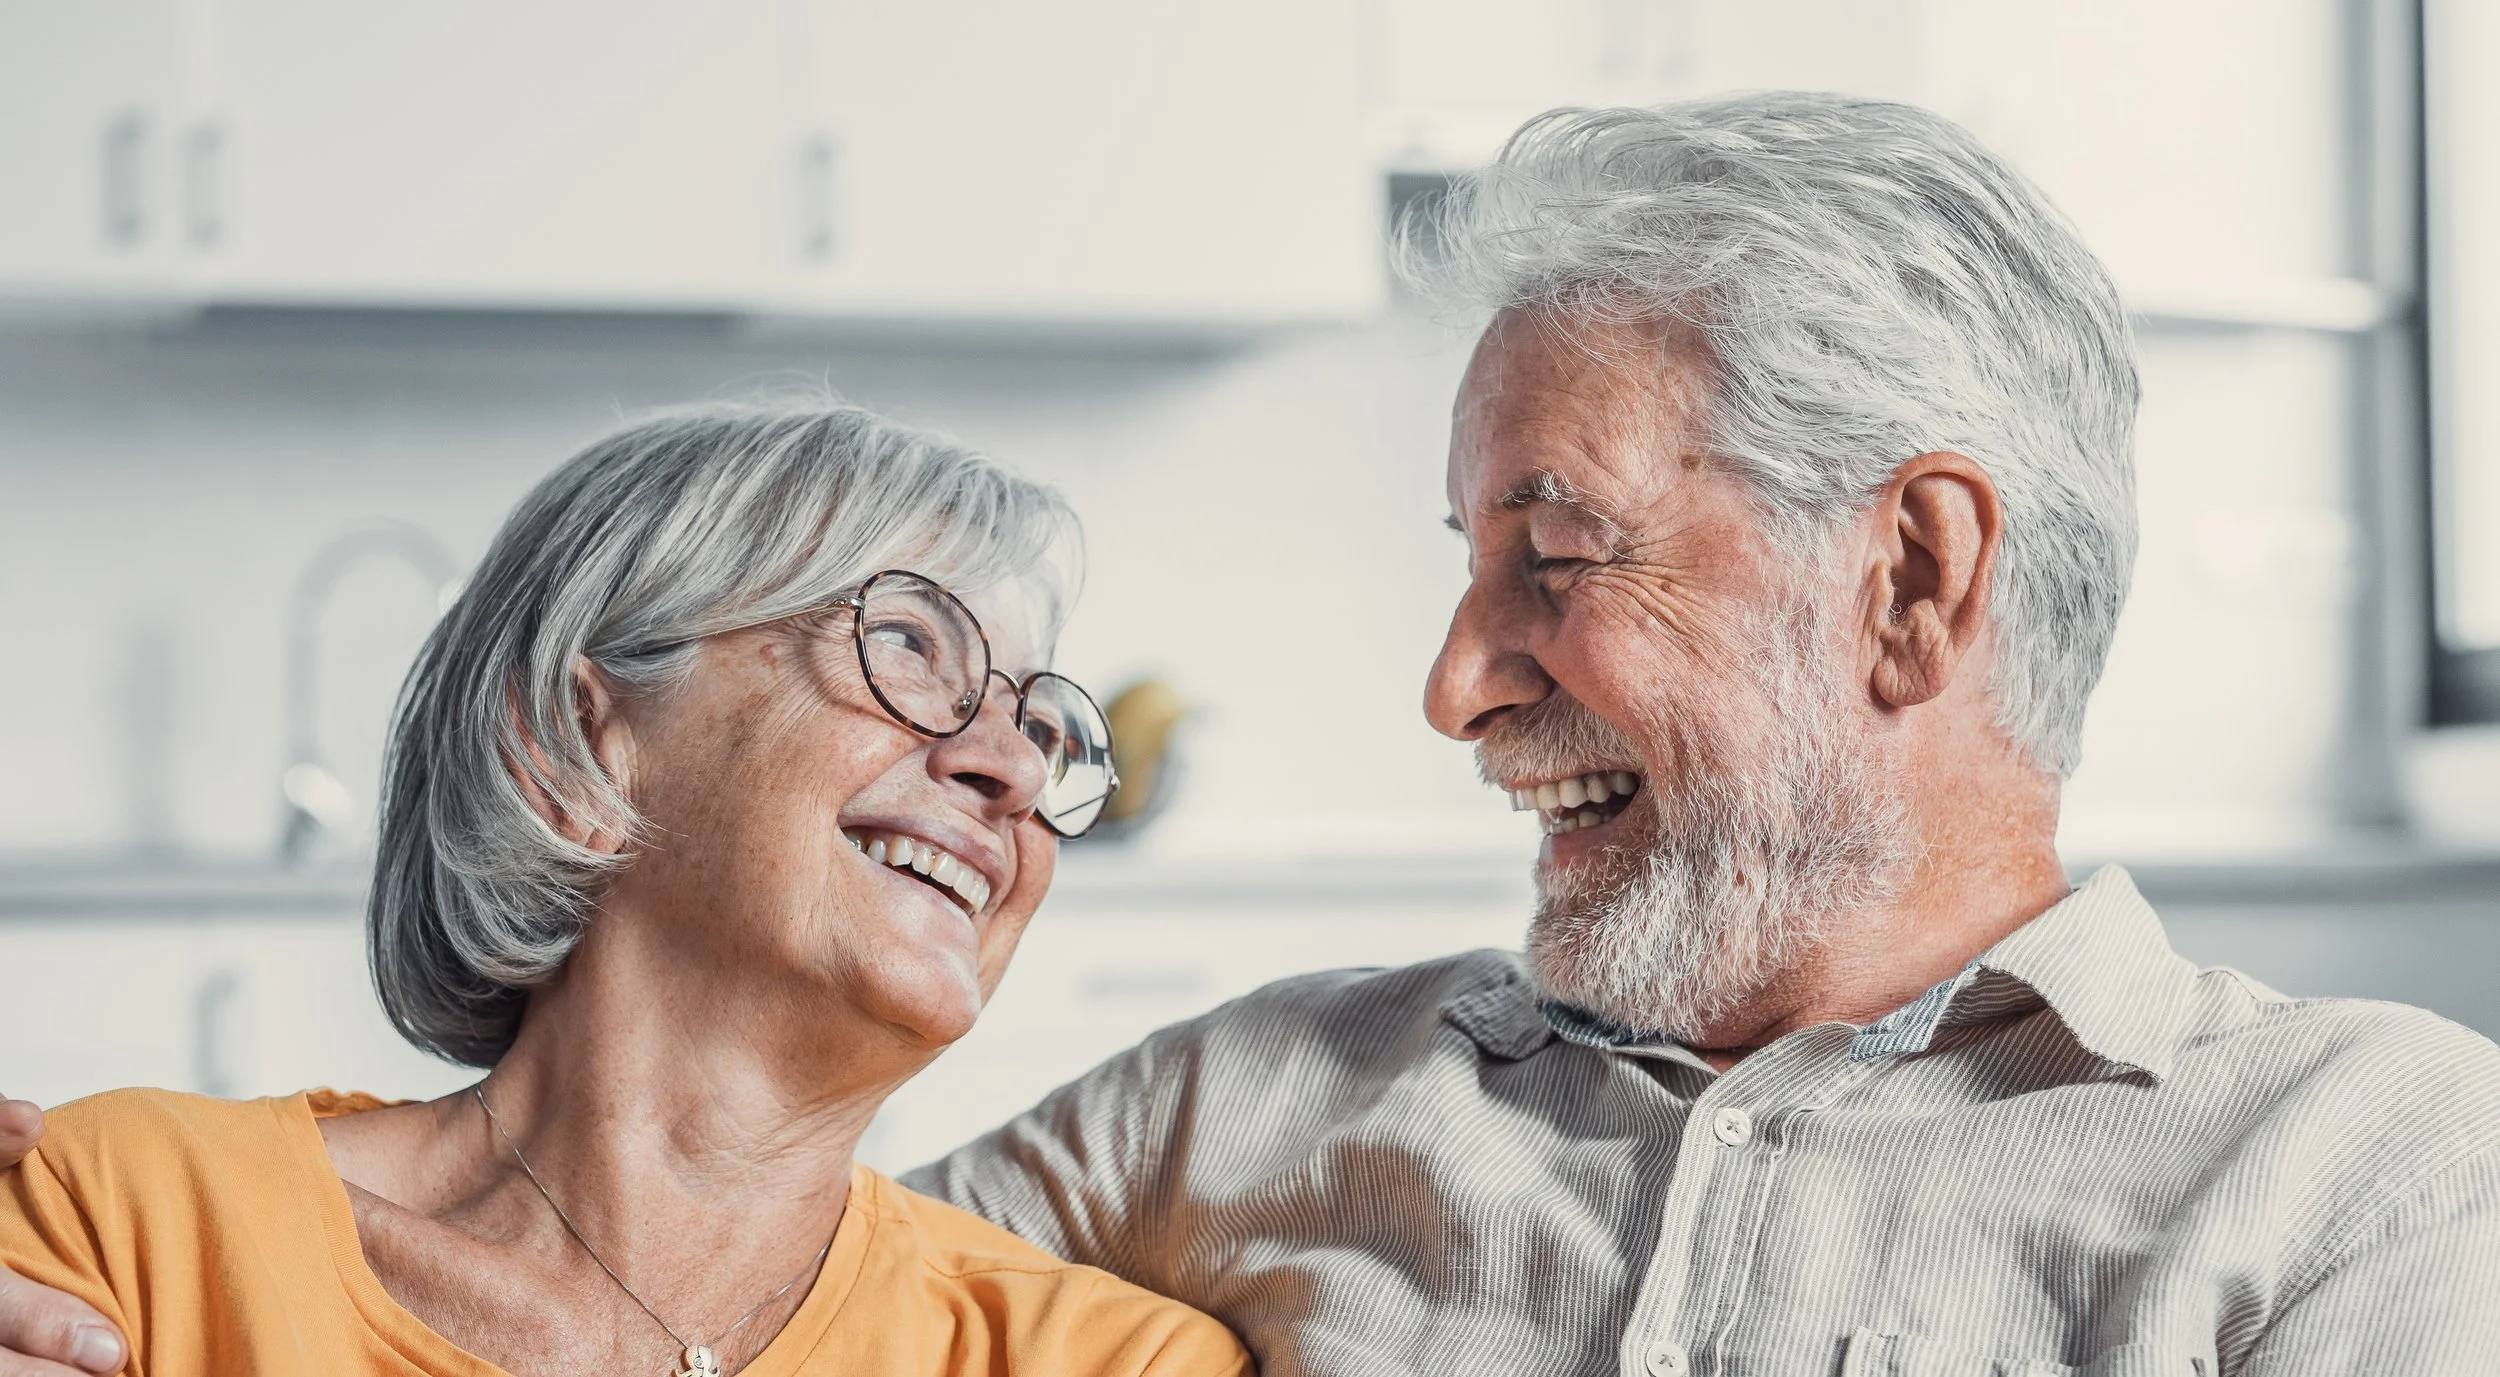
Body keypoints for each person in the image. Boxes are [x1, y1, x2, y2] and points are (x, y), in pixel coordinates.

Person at [8, 90, 2500, 1377]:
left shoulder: (2362, 1167)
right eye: (1458, 561)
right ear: (586, 739)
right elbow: (687, 1237)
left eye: (1554, 548)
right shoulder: (1247, 1117)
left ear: (1917, 576)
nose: (1450, 676)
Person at [0, 404, 1249, 1377]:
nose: (1013, 765)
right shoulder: (130, 1224)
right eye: (913, 644)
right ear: (570, 748)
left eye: (1040, 720)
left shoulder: (1107, 1361)